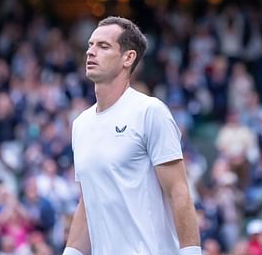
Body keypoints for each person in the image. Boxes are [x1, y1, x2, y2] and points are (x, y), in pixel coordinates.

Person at [63, 16, 201, 255]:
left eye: (103, 46)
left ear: (128, 58)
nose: (91, 52)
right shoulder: (81, 124)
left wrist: (192, 253)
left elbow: (178, 191)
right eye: (90, 45)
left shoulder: (150, 112)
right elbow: (90, 200)